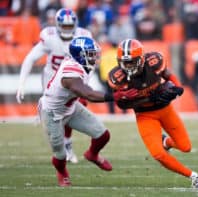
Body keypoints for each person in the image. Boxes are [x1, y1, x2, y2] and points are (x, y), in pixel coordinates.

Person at [38, 36, 138, 187]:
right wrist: (115, 96)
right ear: (80, 55)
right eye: (91, 54)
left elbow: (87, 90)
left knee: (103, 135)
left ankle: (92, 154)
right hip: (53, 113)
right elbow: (87, 94)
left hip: (70, 107)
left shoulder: (83, 64)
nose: (95, 56)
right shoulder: (71, 72)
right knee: (60, 154)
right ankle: (62, 172)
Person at [107, 39, 198, 189]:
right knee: (158, 154)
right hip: (145, 115)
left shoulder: (154, 62)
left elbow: (168, 74)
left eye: (131, 62)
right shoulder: (118, 77)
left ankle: (166, 142)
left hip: (165, 109)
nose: (128, 66)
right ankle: (193, 176)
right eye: (125, 62)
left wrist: (177, 87)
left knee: (185, 147)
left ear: (141, 59)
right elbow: (122, 104)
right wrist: (142, 98)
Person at [16, 8, 91, 163]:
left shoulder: (82, 37)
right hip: (52, 80)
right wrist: (21, 83)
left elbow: (91, 60)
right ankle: (63, 145)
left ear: (76, 25)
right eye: (64, 26)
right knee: (57, 115)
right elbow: (30, 58)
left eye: (70, 26)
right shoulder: (50, 37)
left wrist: (86, 82)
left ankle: (67, 143)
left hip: (73, 79)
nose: (67, 29)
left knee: (72, 108)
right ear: (57, 25)